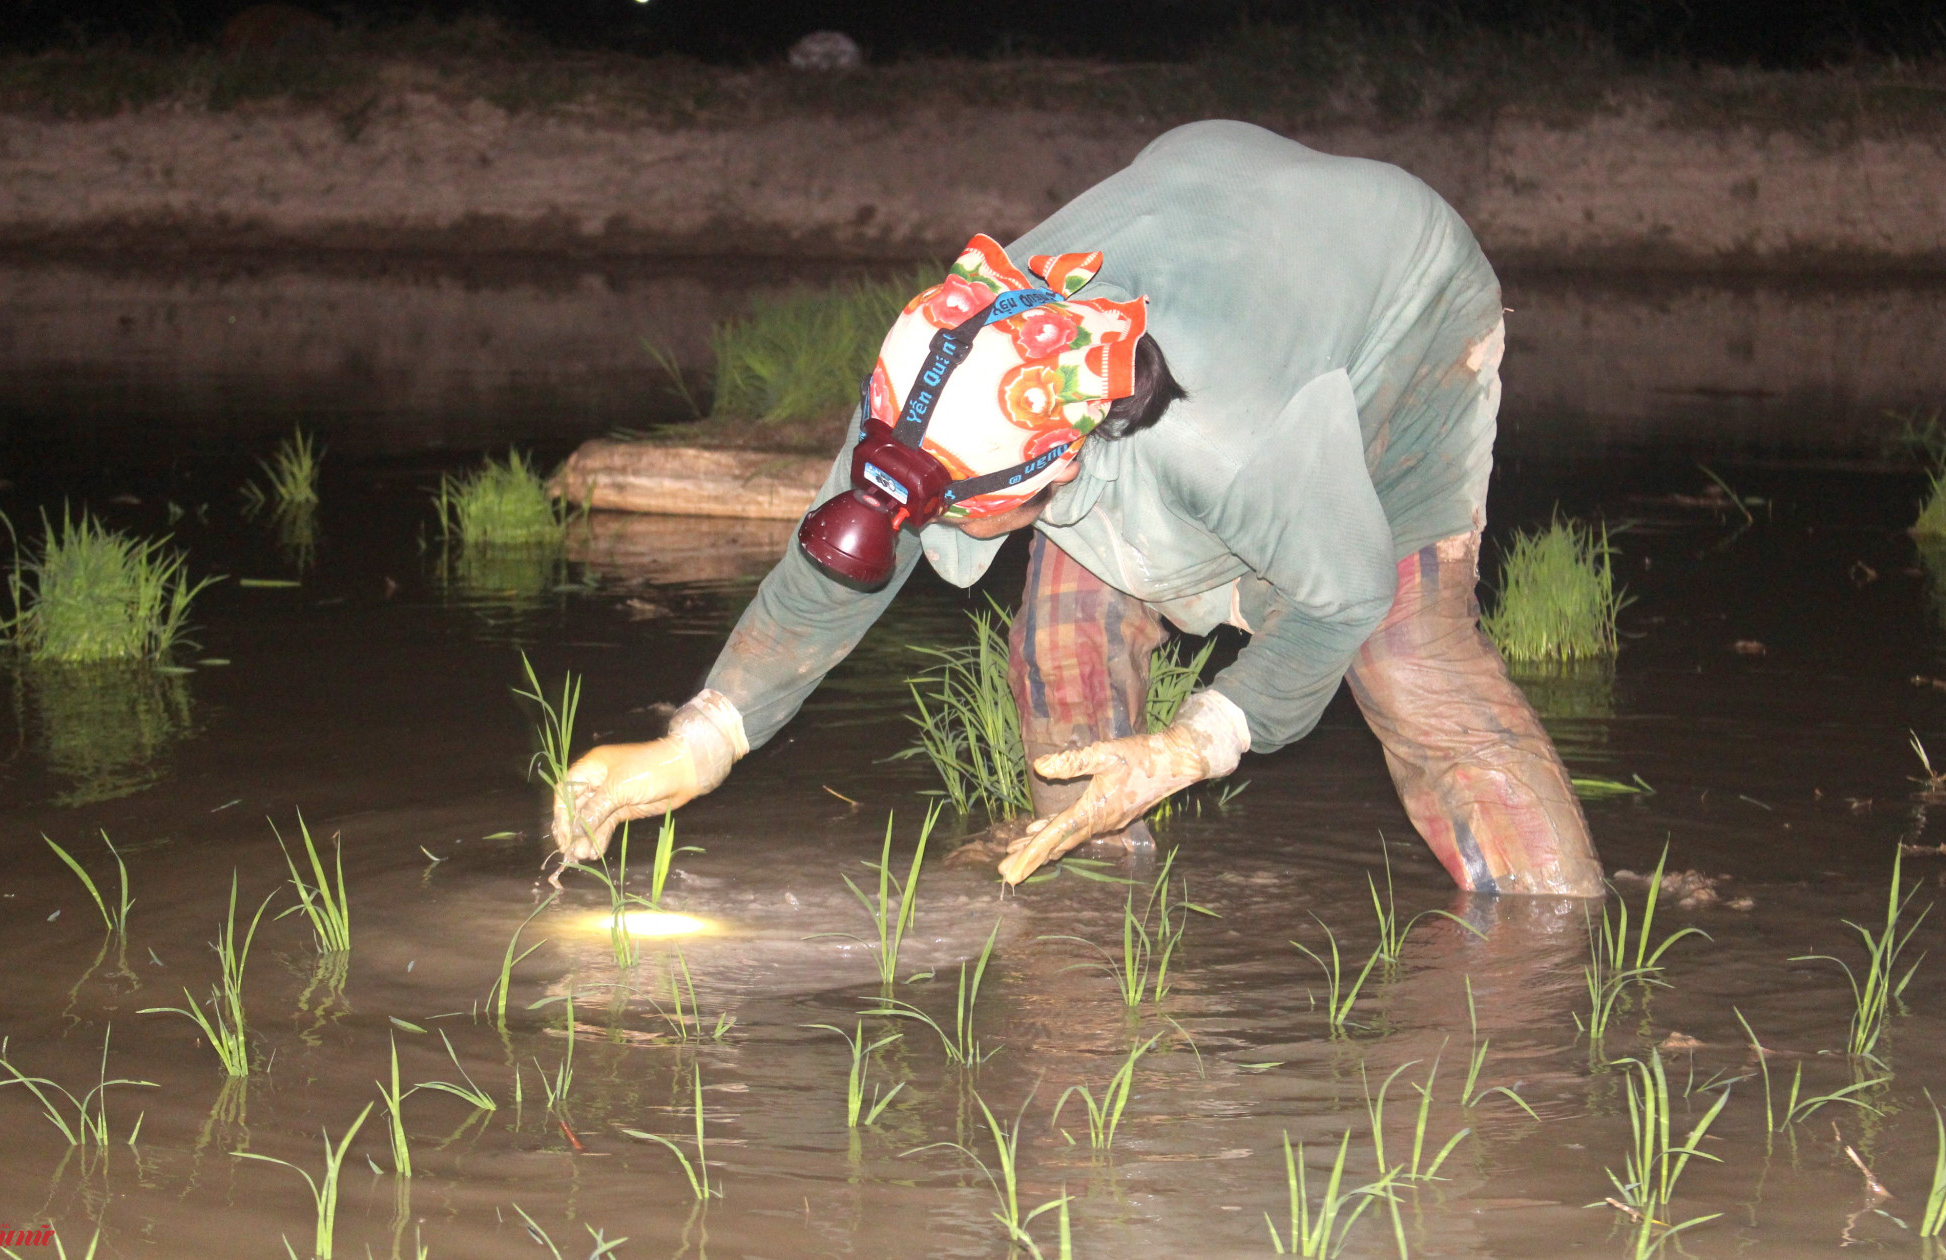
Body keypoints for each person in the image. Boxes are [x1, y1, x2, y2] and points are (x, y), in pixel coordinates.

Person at [551, 119, 1605, 898]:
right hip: (1201, 198)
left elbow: (1337, 597)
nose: (937, 531)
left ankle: (1552, 956)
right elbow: (835, 570)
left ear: (1055, 462)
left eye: (964, 513)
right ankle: (1091, 920)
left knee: (1403, 651)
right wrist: (697, 742)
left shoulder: (1234, 437)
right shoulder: (946, 379)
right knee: (1064, 637)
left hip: (1399, 296)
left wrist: (1194, 741)